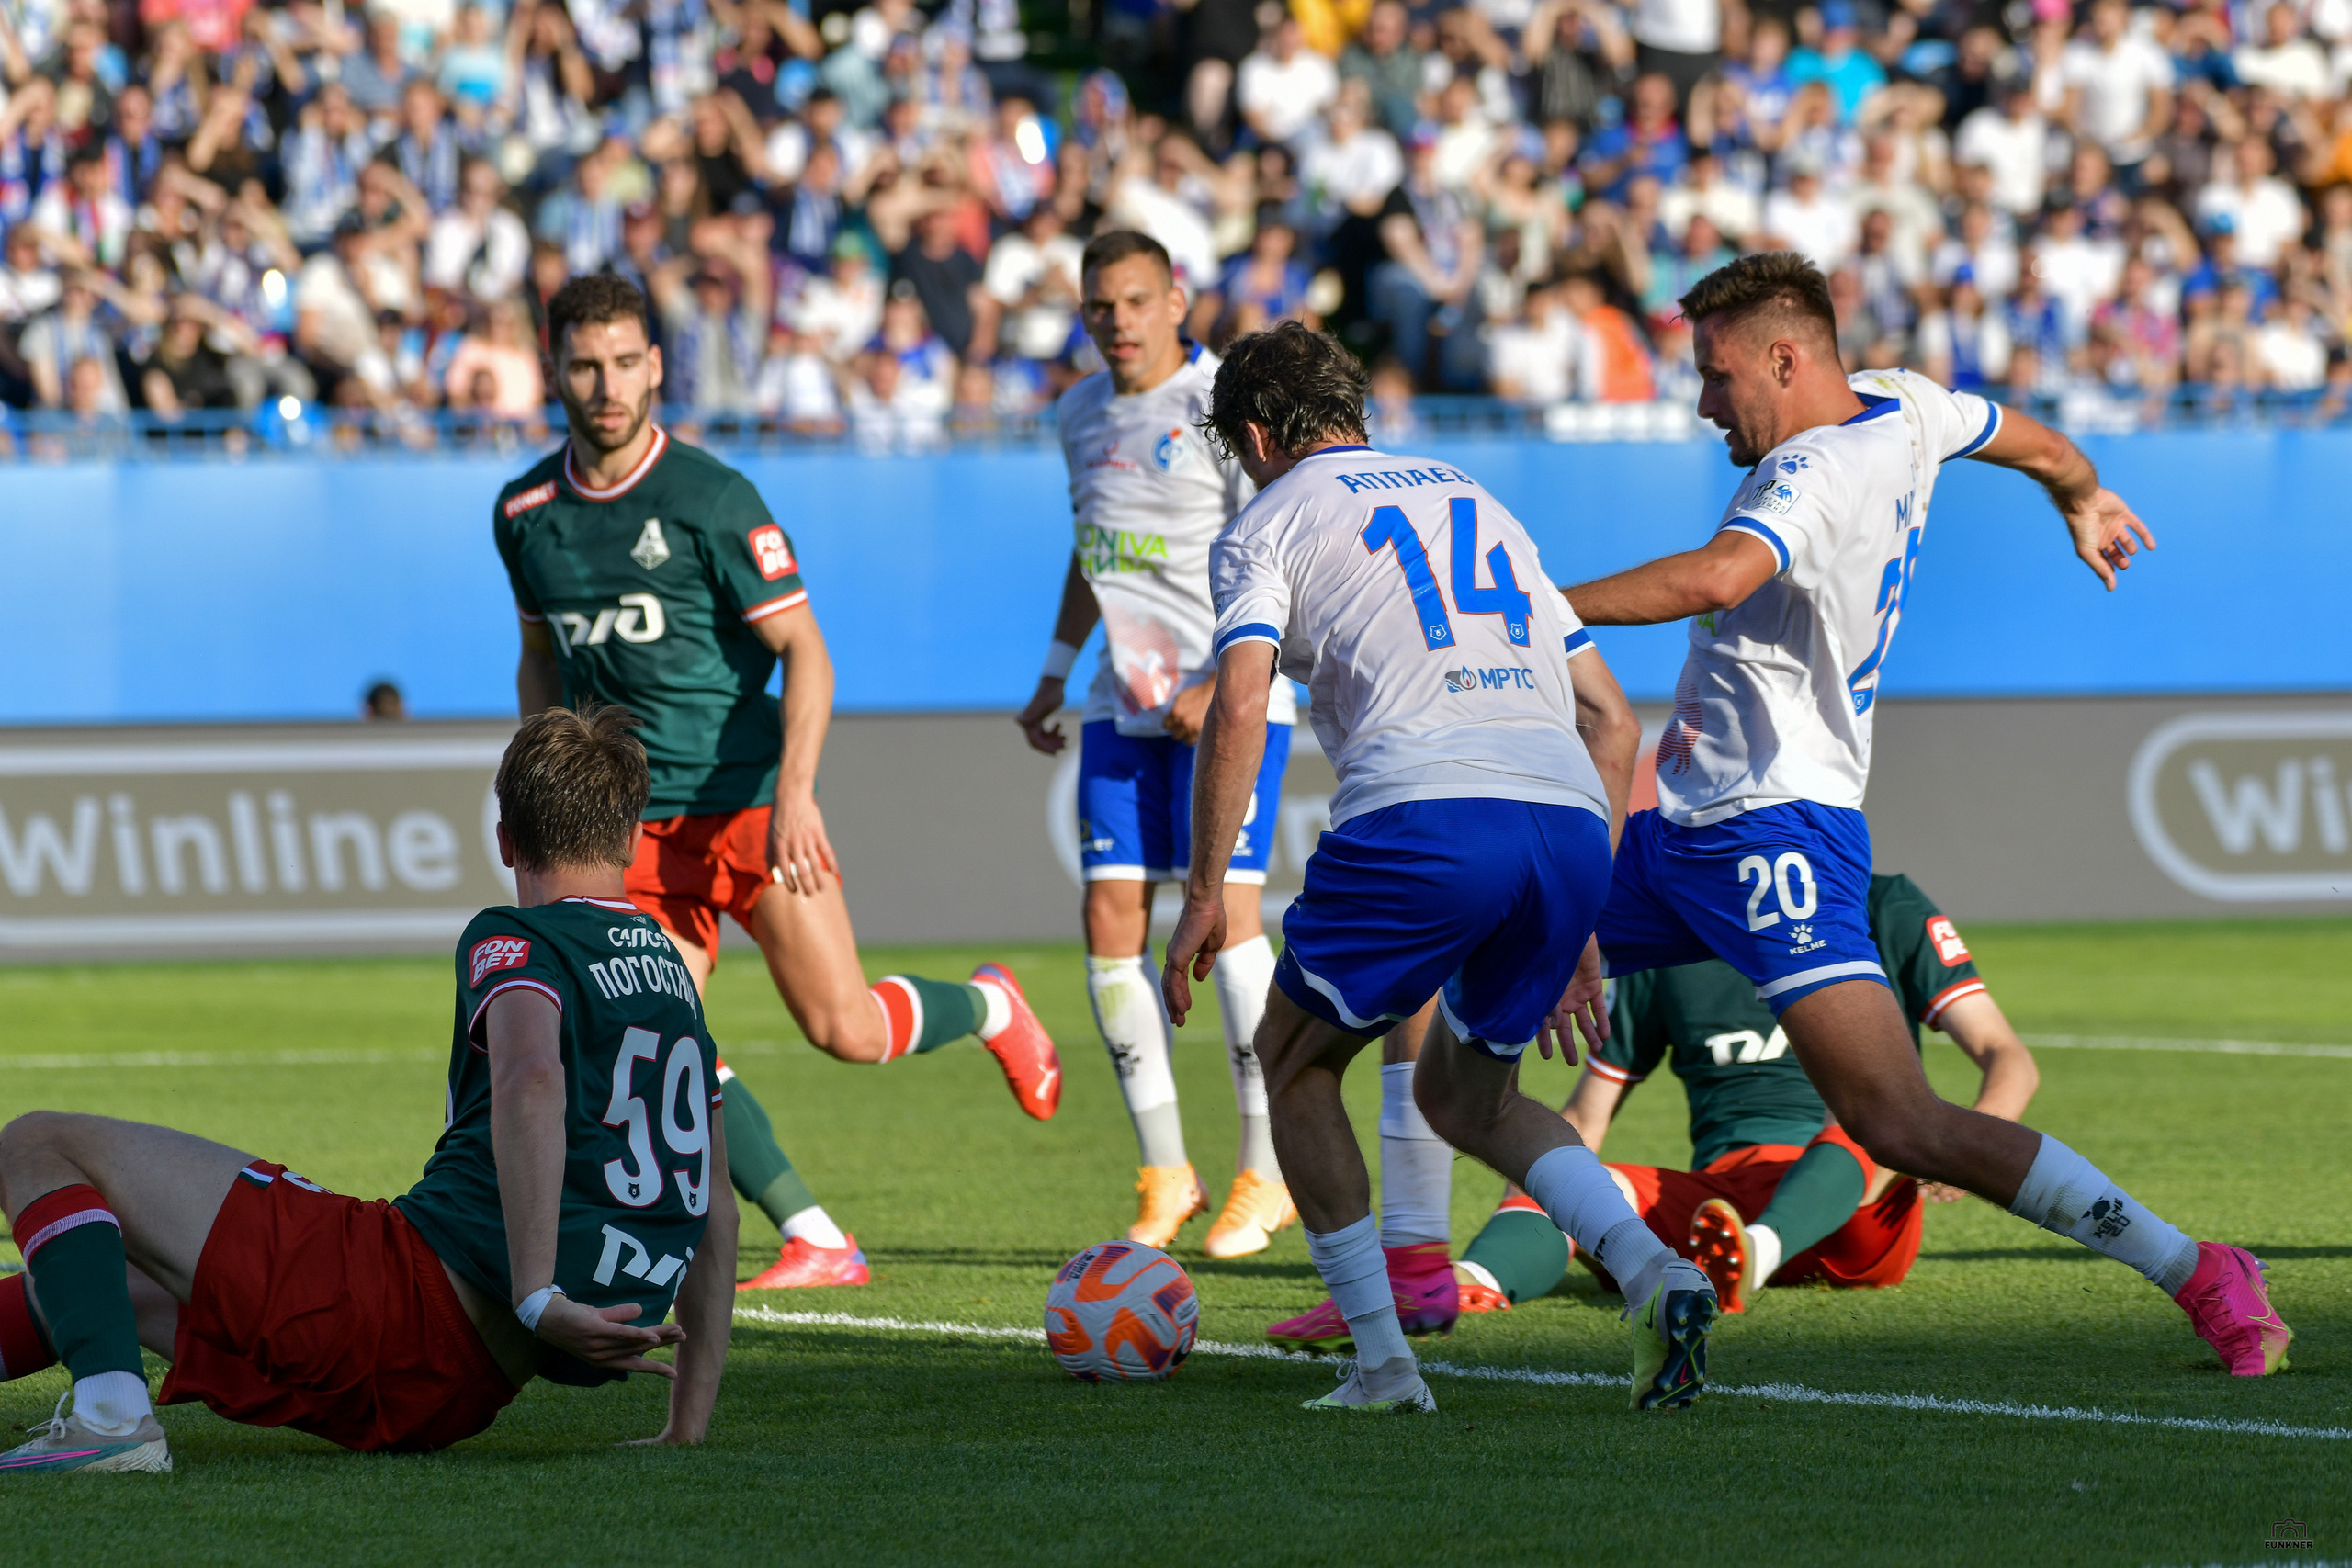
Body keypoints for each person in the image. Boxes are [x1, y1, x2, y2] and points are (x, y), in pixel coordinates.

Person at [1561, 251, 2290, 1380]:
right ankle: (1406, 1291)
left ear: (1784, 359)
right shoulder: (1907, 404)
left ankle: (2198, 1269)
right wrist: (2081, 492)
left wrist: (1520, 606)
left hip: (1774, 834)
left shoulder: (1814, 469)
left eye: (1715, 376)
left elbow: (1712, 581)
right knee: (1462, 998)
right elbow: (2029, 439)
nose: (1702, 402)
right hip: (1674, 837)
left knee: (1897, 1122)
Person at [1162, 321, 1720, 1415]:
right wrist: (1584, 924)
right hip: (1564, 820)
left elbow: (1238, 701)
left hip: (1426, 810)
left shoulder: (1267, 521)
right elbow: (1611, 719)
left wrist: (1198, 893)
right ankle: (1655, 1272)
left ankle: (1383, 1365)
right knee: (1474, 1096)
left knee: (1291, 1064)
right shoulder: (1485, 506)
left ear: (1262, 433)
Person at [498, 274, 1062, 1292]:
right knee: (648, 1030)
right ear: (554, 369)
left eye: (626, 362)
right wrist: (540, 765)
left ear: (657, 366)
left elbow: (806, 651)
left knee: (846, 1028)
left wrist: (796, 792)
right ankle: (815, 1236)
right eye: (585, 364)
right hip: (630, 833)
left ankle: (988, 1008)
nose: (607, 385)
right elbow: (540, 660)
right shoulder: (526, 512)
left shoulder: (711, 500)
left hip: (751, 800)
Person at [0, 706, 736, 1471]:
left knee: (38, 1142)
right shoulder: (674, 979)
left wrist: (536, 1294)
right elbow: (716, 1200)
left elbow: (532, 1078)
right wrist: (689, 1418)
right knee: (92, 1271)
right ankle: (105, 1392)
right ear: (633, 836)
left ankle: (112, 1422)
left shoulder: (518, 936)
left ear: (505, 839)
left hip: (397, 1306)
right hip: (458, 1392)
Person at [1014, 230, 1298, 1258]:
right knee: (1107, 920)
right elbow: (1095, 552)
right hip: (1117, 704)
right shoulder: (1076, 414)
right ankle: (1166, 1171)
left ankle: (1265, 1173)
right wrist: (1053, 671)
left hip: (1229, 700)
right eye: (1100, 306)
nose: (1118, 323)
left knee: (1224, 920)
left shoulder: (1222, 406)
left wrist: (1219, 676)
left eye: (1136, 301)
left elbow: (1276, 541)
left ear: (1176, 301)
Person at [1455, 873, 2037, 1312]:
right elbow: (1587, 1113)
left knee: (1874, 1116)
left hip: (1857, 1195)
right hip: (1718, 1213)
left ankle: (1758, 1250)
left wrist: (1967, 1145)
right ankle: (1473, 1281)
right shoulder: (1662, 935)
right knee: (1579, 1179)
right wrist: (1533, 1185)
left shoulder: (1882, 905)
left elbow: (2007, 1057)